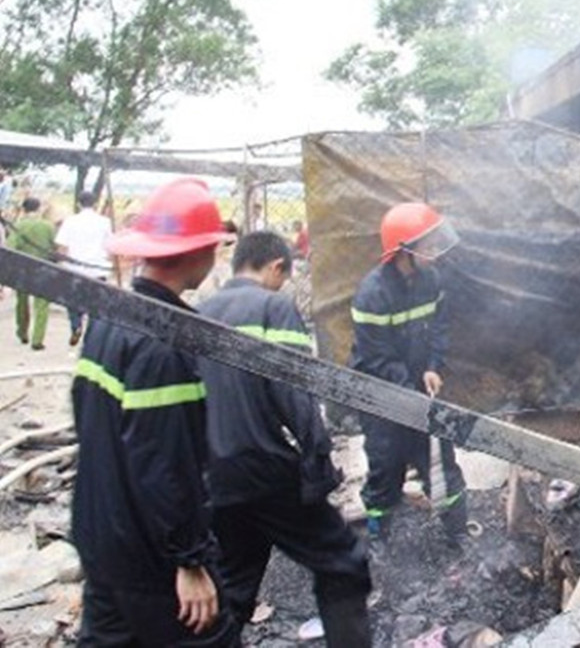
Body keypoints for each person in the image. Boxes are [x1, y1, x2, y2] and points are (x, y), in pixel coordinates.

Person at [71, 177, 237, 644]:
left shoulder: (109, 318)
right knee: (209, 635)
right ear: (196, 252)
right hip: (148, 551)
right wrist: (190, 560)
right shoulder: (164, 345)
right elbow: (165, 461)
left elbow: (88, 420)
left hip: (100, 532)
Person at [198, 231, 371, 646]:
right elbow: (292, 390)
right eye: (285, 276)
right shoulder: (273, 306)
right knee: (342, 560)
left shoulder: (202, 311)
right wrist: (318, 457)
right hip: (262, 466)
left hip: (213, 475)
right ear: (276, 266)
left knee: (234, 583)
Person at [350, 202, 468, 545]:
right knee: (386, 467)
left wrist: (433, 366)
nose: (435, 251)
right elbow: (375, 358)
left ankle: (458, 535)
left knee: (442, 465)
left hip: (418, 386)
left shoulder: (432, 280)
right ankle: (379, 538)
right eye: (428, 245)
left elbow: (439, 328)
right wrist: (411, 396)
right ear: (404, 250)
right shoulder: (372, 294)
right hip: (380, 396)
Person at [54, 190, 113, 346]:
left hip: (74, 268)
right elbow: (110, 245)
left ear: (78, 204)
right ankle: (92, 335)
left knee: (73, 301)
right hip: (98, 268)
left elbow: (62, 247)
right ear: (95, 204)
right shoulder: (105, 222)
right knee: (96, 305)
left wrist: (61, 264)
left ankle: (76, 325)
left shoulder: (70, 221)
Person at [11, 196, 57, 350]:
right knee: (42, 305)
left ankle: (22, 332)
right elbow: (55, 248)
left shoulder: (18, 226)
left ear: (24, 210)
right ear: (38, 208)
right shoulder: (48, 226)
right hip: (43, 268)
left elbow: (11, 247)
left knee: (22, 302)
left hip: (23, 269)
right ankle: (37, 339)